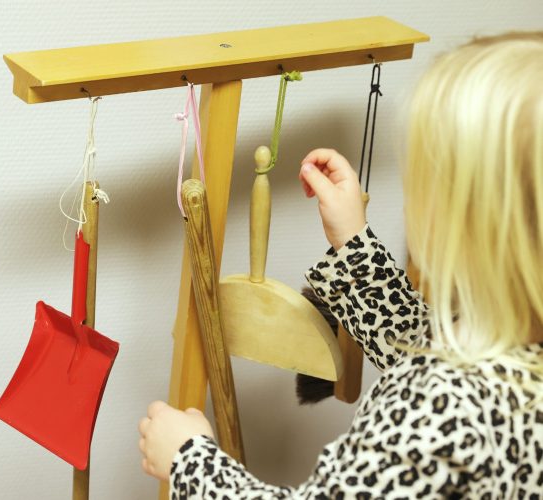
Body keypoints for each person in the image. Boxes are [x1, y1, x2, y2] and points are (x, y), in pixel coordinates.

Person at [138, 32, 543, 498]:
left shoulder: (437, 413)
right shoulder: (504, 346)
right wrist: (354, 244)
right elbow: (418, 345)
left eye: (421, 182)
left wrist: (190, 461)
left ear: (469, 227)